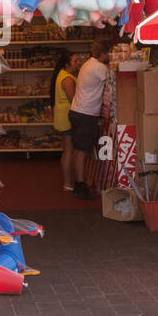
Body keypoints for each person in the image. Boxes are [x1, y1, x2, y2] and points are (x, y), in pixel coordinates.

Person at [69, 39, 113, 200]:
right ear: (103, 54)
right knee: (82, 150)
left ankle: (79, 183)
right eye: (108, 54)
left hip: (78, 110)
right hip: (85, 113)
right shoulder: (99, 67)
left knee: (79, 149)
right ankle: (80, 185)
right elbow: (113, 82)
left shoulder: (88, 64)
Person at [50, 50, 83, 192]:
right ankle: (69, 183)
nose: (79, 63)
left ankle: (68, 183)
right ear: (67, 63)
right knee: (69, 151)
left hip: (63, 116)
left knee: (67, 150)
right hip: (68, 117)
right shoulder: (68, 79)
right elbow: (73, 99)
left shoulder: (61, 75)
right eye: (76, 61)